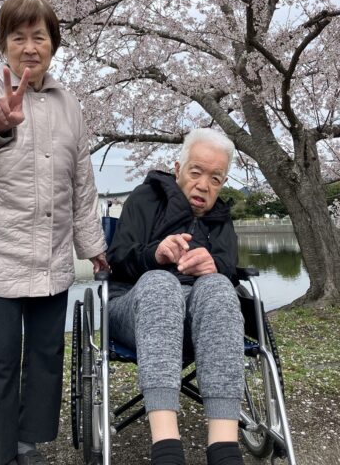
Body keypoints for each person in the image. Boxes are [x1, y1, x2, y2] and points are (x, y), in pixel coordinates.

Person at [0, 0, 107, 465]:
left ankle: (26, 442)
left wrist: (92, 245)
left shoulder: (68, 103)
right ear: (3, 44)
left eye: (39, 37)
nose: (29, 47)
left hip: (50, 254)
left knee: (46, 354)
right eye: (18, 37)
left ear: (53, 45)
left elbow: (81, 180)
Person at [106, 128, 245, 465]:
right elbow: (118, 258)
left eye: (215, 178)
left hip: (200, 322)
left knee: (218, 287)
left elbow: (230, 268)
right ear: (178, 168)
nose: (203, 185)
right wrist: (154, 254)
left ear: (223, 183)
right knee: (161, 283)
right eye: (196, 172)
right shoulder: (145, 198)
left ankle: (225, 448)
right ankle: (166, 448)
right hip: (133, 306)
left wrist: (214, 266)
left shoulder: (220, 219)